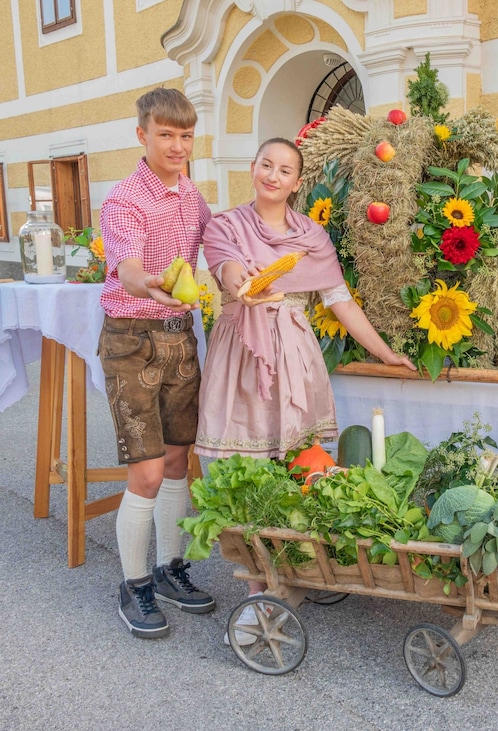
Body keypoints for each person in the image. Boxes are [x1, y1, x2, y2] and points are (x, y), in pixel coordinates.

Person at [195, 137, 416, 642]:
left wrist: (383, 352)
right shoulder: (224, 225)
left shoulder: (313, 236)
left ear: (298, 182)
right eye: (266, 165)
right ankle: (257, 594)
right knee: (245, 471)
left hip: (294, 351)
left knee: (299, 464)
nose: (273, 175)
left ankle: (293, 566)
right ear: (253, 169)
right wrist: (243, 284)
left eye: (285, 170)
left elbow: (339, 300)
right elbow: (228, 272)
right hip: (243, 353)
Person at [98, 87, 214, 638]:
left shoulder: (193, 198)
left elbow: (217, 251)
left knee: (175, 462)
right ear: (141, 134)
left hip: (179, 338)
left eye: (185, 135)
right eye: (165, 134)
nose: (177, 145)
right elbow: (128, 268)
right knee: (144, 471)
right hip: (132, 340)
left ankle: (171, 569)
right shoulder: (124, 199)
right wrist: (155, 288)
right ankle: (135, 582)